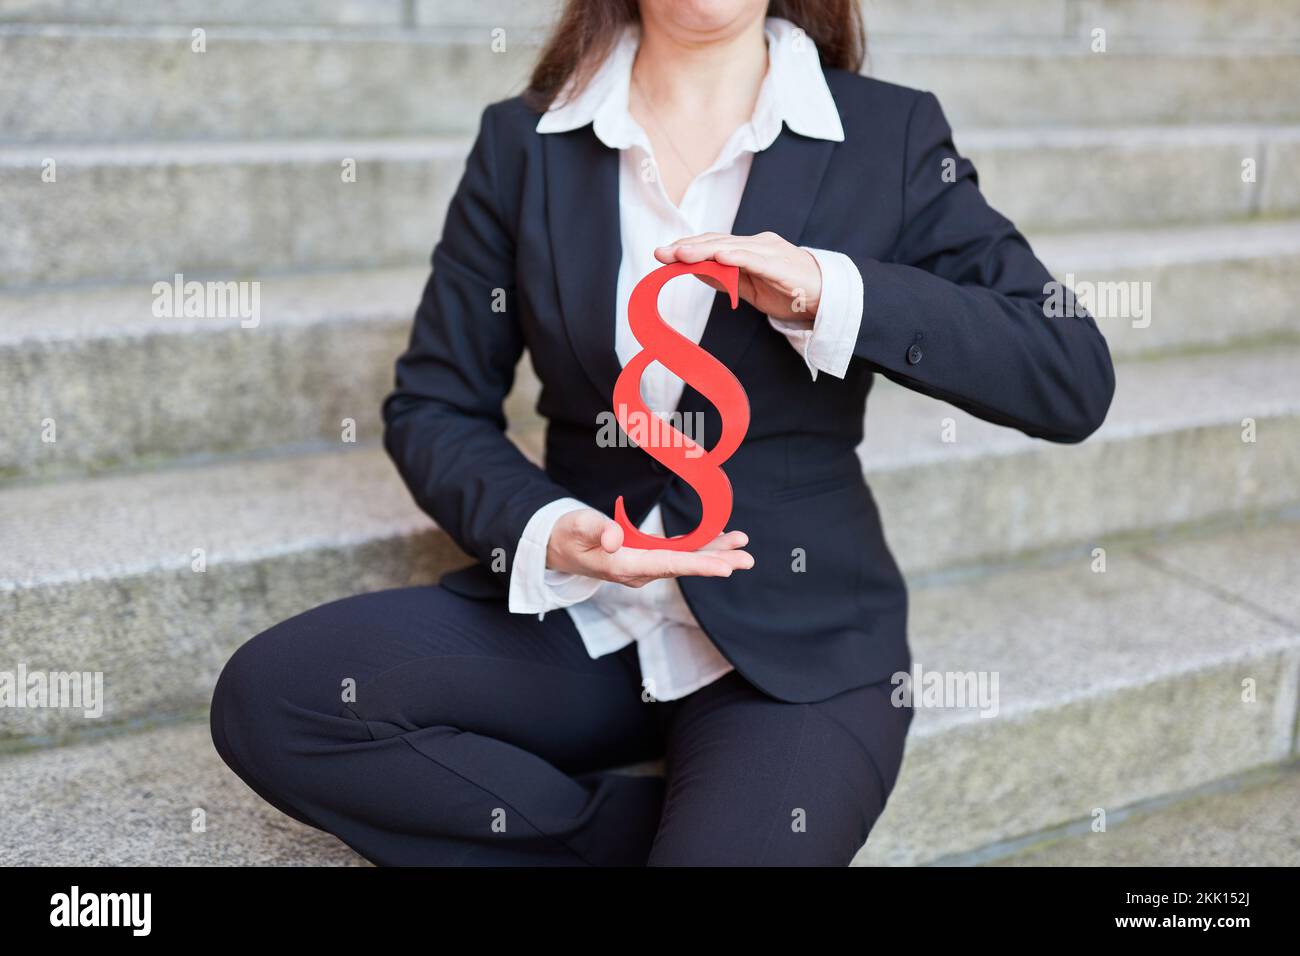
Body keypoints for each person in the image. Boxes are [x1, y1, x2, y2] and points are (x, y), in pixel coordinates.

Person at [210, 0, 1115, 866]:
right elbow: (434, 405)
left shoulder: (891, 134)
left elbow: (1069, 374)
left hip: (793, 642)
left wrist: (829, 290)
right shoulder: (525, 141)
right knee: (278, 699)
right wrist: (548, 529)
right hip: (583, 619)